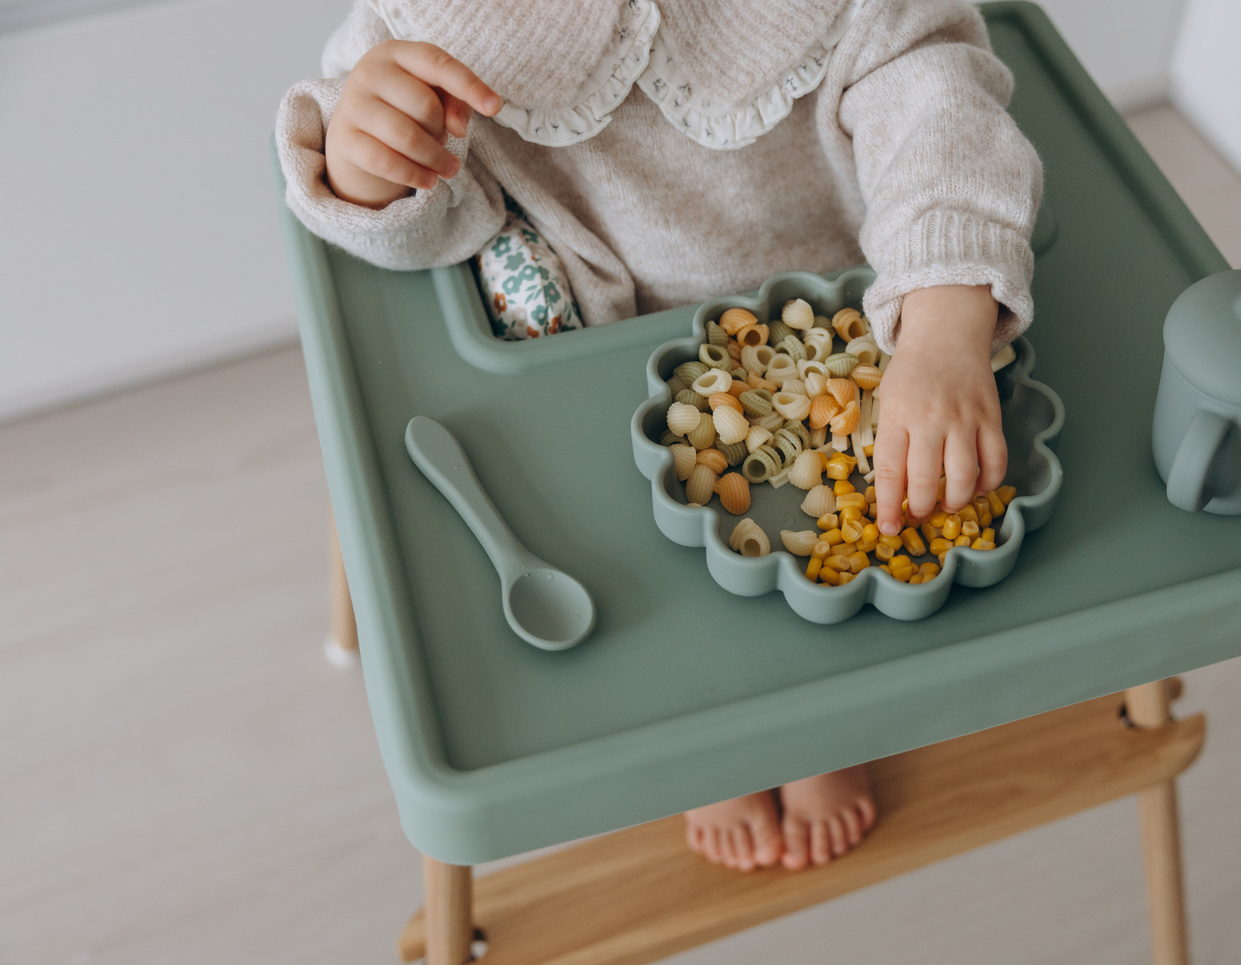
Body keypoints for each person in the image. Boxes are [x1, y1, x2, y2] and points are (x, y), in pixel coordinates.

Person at [277, 0, 1042, 872]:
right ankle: (703, 727)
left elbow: (938, 107)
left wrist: (943, 325)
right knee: (641, 588)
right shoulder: (422, 21)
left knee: (834, 548)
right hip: (595, 349)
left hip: (843, 328)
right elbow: (416, 223)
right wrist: (370, 160)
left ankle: (814, 724)